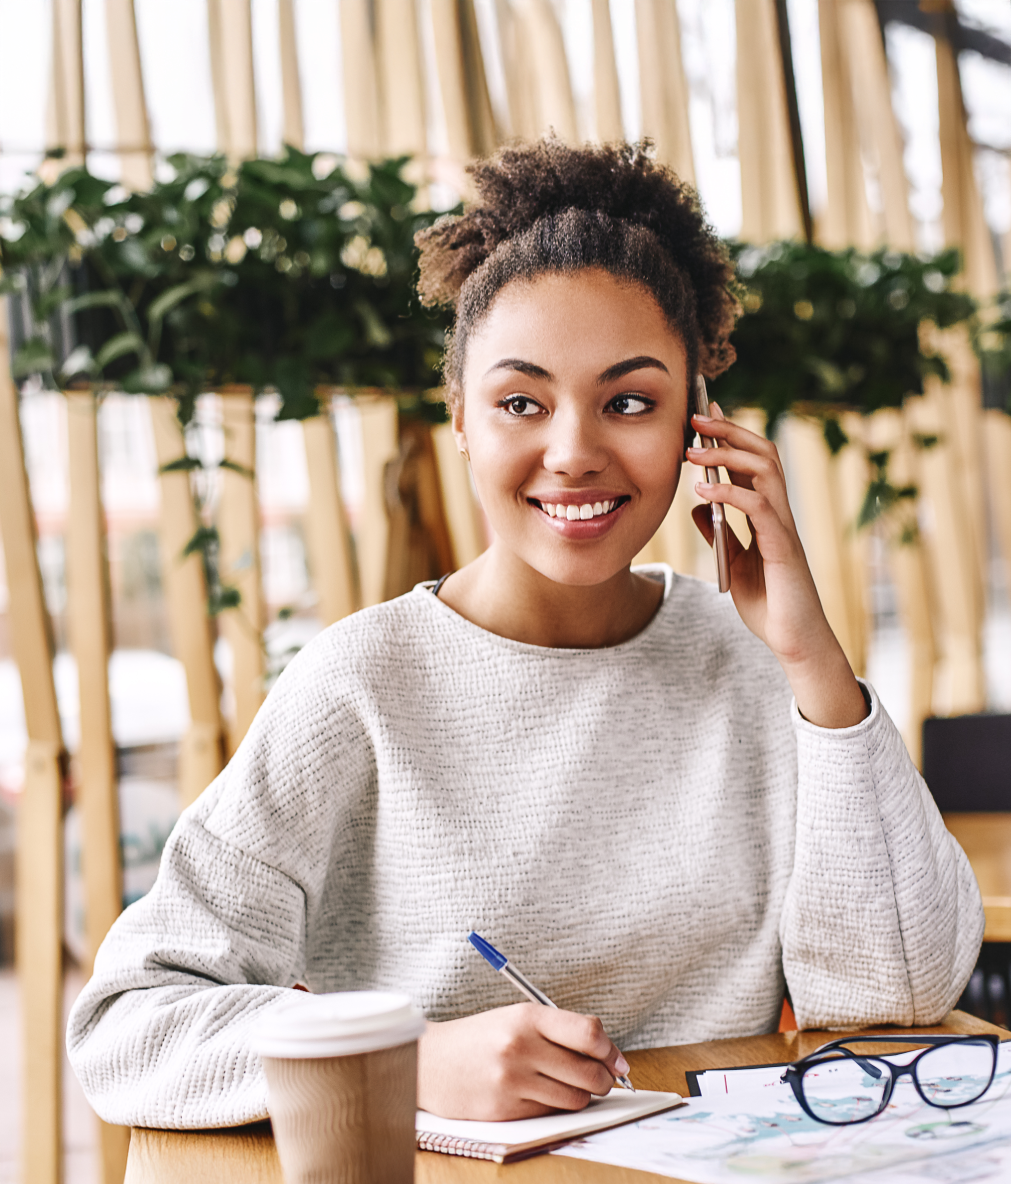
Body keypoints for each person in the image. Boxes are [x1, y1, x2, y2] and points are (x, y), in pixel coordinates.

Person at [68, 139, 983, 1129]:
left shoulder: (761, 669)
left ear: (699, 426)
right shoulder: (361, 685)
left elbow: (895, 992)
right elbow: (127, 1027)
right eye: (520, 402)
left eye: (629, 402)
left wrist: (814, 666)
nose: (575, 451)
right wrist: (400, 1059)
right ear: (460, 415)